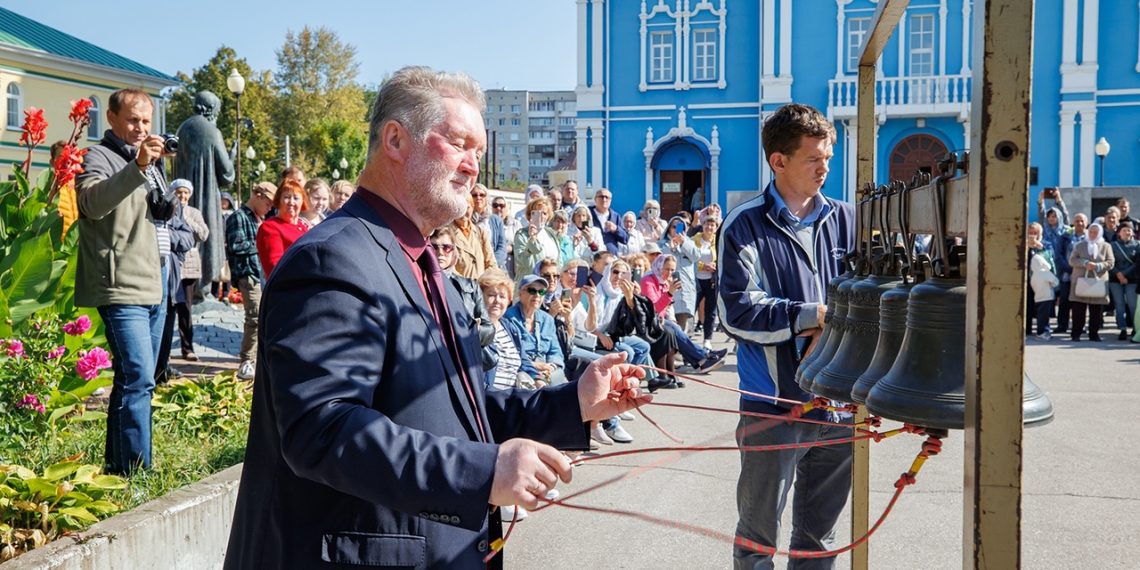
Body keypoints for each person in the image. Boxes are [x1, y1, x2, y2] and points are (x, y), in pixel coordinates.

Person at [224, 66, 649, 570]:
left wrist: (572, 402)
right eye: (459, 143)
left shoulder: (425, 262)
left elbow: (459, 413)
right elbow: (323, 429)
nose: (473, 167)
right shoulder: (333, 259)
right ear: (396, 140)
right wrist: (483, 472)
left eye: (479, 152)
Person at [718, 103, 855, 567]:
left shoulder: (846, 220)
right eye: (814, 158)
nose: (826, 167)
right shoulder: (744, 224)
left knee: (820, 539)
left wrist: (835, 327)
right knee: (758, 539)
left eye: (829, 156)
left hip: (839, 403)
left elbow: (867, 300)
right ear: (778, 161)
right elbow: (735, 310)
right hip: (773, 403)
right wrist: (810, 316)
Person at [75, 88, 171, 475]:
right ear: (111, 118)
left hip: (153, 280)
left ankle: (118, 468)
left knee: (134, 381)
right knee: (139, 377)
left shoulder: (147, 161)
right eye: (133, 120)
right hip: (118, 283)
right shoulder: (96, 155)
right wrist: (137, 169)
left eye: (146, 121)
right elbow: (92, 204)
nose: (140, 128)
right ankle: (136, 471)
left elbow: (158, 214)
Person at [172, 90, 235, 293]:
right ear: (210, 110)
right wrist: (232, 156)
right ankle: (203, 290)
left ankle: (190, 290)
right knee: (204, 236)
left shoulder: (182, 128)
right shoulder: (212, 131)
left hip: (181, 199)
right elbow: (226, 175)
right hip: (205, 197)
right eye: (216, 111)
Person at [639, 254, 725, 374]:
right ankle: (704, 357)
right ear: (659, 266)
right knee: (673, 328)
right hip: (647, 322)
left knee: (675, 328)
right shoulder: (648, 280)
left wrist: (671, 316)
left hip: (660, 319)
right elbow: (654, 309)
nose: (670, 273)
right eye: (667, 269)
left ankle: (703, 360)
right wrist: (669, 293)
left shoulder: (664, 281)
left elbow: (667, 308)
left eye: (672, 270)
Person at [225, 181, 276, 380]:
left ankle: (254, 359)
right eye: (268, 203)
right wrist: (263, 242)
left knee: (259, 318)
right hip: (249, 274)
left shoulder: (257, 218)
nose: (270, 207)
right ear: (257, 195)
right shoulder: (239, 216)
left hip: (258, 273)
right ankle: (247, 361)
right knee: (254, 318)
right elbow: (236, 246)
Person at [479, 268, 541, 390]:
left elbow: (524, 362)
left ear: (508, 301)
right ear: (480, 297)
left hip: (513, 396)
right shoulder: (475, 329)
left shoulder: (510, 328)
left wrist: (538, 379)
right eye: (491, 295)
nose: (497, 301)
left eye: (502, 297)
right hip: (491, 398)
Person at [431, 226, 493, 349]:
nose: (440, 252)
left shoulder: (470, 285)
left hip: (464, 351)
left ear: (454, 251)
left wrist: (474, 331)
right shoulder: (419, 282)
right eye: (434, 247)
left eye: (446, 247)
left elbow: (489, 329)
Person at [171, 179, 209, 361]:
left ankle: (187, 347)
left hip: (189, 265)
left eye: (185, 193)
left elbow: (203, 234)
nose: (182, 196)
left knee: (185, 306)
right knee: (169, 306)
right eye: (179, 192)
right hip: (170, 263)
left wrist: (187, 220)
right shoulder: (167, 208)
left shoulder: (194, 212)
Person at [503, 275, 566, 385]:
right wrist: (534, 365)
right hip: (523, 370)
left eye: (541, 292)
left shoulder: (547, 319)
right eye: (532, 290)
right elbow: (510, 356)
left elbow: (555, 351)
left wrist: (551, 366)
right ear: (520, 293)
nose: (537, 295)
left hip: (548, 371)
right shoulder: (508, 318)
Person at [1068, 222, 1114, 341]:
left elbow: (1110, 262)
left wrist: (1098, 266)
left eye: (1096, 232)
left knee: (1096, 311)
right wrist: (1084, 263)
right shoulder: (1079, 245)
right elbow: (1072, 260)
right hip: (1080, 281)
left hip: (1098, 282)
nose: (1093, 234)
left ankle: (1094, 334)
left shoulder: (1106, 246)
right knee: (1078, 310)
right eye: (1091, 232)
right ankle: (1076, 334)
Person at [256, 179, 310, 278]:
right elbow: (274, 266)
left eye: (296, 198)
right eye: (286, 197)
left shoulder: (303, 227)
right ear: (279, 201)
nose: (291, 202)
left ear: (303, 202)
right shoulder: (270, 227)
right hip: (287, 287)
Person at [661, 215, 700, 330]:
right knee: (669, 325)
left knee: (683, 327)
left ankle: (681, 347)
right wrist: (671, 249)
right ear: (668, 228)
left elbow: (696, 256)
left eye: (680, 226)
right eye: (674, 227)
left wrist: (683, 243)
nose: (676, 229)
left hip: (685, 289)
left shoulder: (689, 242)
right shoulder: (662, 243)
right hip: (668, 289)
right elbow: (659, 260)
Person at [451, 192, 497, 279]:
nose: (463, 212)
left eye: (467, 207)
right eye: (459, 208)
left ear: (472, 208)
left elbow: (491, 263)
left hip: (479, 288)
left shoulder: (480, 232)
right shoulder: (446, 233)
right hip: (458, 287)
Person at [512, 198, 561, 280]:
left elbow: (559, 261)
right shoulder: (522, 234)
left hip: (551, 283)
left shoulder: (551, 234)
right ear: (530, 215)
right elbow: (523, 262)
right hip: (530, 285)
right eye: (537, 213)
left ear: (549, 216)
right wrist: (533, 239)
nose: (541, 216)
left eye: (544, 213)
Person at [693, 214, 720, 348]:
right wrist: (703, 266)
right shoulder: (694, 240)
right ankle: (688, 337)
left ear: (716, 227)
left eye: (712, 225)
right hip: (696, 280)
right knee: (691, 309)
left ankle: (707, 340)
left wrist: (715, 265)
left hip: (712, 280)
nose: (709, 227)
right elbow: (689, 258)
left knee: (711, 311)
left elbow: (724, 257)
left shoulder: (719, 241)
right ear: (702, 226)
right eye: (707, 224)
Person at [1109, 222, 1138, 339]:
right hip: (1115, 279)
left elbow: (1137, 263)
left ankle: (1136, 328)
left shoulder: (1138, 245)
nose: (1127, 232)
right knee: (1119, 304)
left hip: (1132, 279)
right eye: (1124, 230)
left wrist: (1124, 274)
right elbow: (1110, 262)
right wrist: (1118, 274)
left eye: (1129, 230)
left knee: (1133, 305)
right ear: (1119, 232)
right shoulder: (1112, 245)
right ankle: (1122, 328)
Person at [1029, 228, 1059, 341]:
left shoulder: (1046, 244)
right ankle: (1042, 331)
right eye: (1031, 233)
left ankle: (1042, 331)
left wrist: (1040, 246)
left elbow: (1051, 256)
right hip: (1045, 295)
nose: (1033, 235)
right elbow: (1055, 281)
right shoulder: (1044, 272)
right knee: (1042, 315)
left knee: (1042, 314)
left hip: (1041, 295)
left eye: (1035, 233)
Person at [472, 183, 509, 268]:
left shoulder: (496, 220)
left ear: (487, 197)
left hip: (495, 267)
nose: (478, 197)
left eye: (482, 195)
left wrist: (490, 264)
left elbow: (502, 247)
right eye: (474, 195)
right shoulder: (466, 219)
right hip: (473, 266)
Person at [590, 188, 628, 254]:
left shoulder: (615, 216)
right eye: (601, 197)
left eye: (607, 197)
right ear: (595, 199)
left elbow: (625, 239)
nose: (604, 199)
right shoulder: (588, 213)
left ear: (610, 200)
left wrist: (616, 229)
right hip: (592, 254)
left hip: (611, 255)